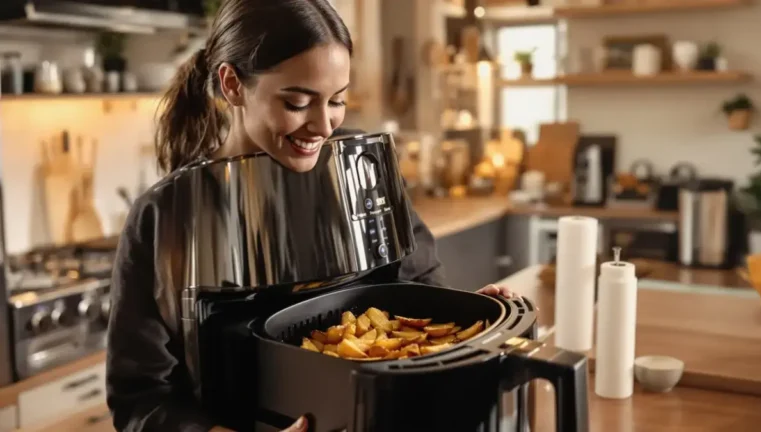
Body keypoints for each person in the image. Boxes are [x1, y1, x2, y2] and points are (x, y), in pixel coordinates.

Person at [106, 0, 514, 431]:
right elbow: (141, 400)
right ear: (232, 85)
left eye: (337, 100)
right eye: (298, 102)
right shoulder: (166, 213)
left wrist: (464, 322)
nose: (323, 125)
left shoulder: (364, 167)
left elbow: (420, 289)